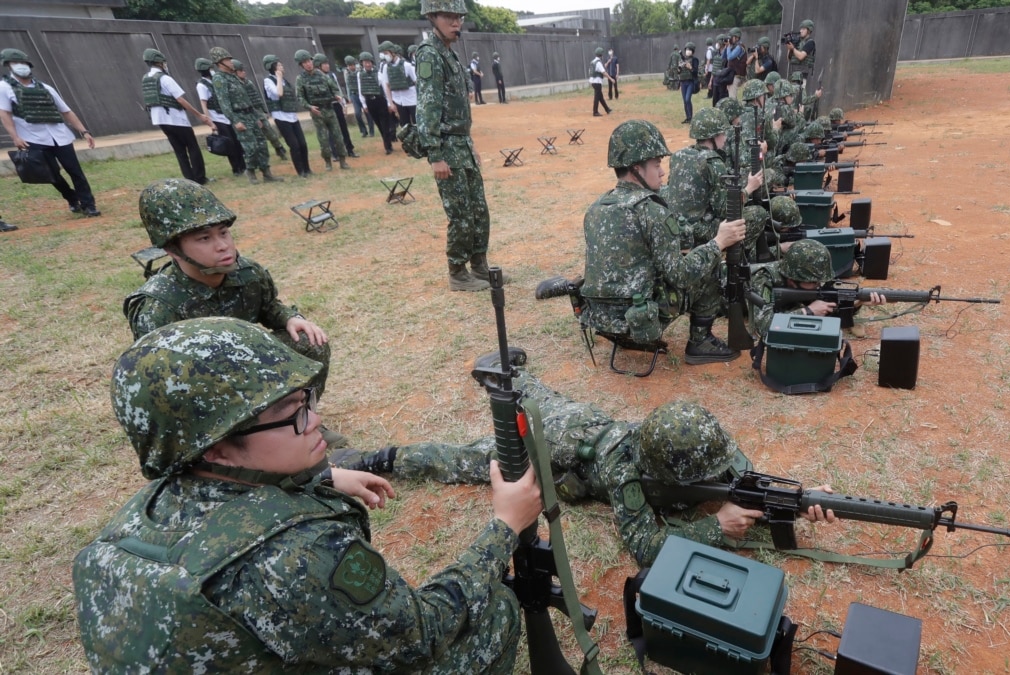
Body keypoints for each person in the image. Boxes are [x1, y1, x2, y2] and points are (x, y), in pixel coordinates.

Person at [74, 316, 539, 672]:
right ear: (218, 446)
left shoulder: (143, 513)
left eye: (307, 401)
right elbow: (422, 632)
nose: (314, 420)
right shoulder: (298, 557)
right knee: (492, 610)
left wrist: (323, 477)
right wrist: (504, 526)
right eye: (291, 414)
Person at [332, 355, 837, 567]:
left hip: (591, 422)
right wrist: (714, 529)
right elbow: (645, 545)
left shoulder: (697, 443)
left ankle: (507, 375)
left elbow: (741, 479)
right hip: (560, 455)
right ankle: (382, 456)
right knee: (466, 459)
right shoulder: (626, 471)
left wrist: (796, 499)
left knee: (547, 396)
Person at [123, 179, 337, 411]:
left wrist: (289, 318)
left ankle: (297, 419)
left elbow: (267, 307)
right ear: (171, 249)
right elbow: (161, 384)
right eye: (204, 238)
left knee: (310, 342)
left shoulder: (248, 272)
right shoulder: (158, 307)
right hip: (203, 386)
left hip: (245, 361)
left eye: (223, 233)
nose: (222, 245)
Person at [576, 119, 746, 365]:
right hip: (640, 319)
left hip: (601, 319)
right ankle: (700, 342)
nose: (662, 171)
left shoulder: (597, 207)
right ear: (636, 169)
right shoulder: (651, 211)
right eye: (656, 164)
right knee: (709, 267)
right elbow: (681, 276)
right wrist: (718, 242)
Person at [415, 0, 497, 292]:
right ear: (432, 17)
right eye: (449, 17)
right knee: (460, 212)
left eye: (458, 17)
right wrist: (434, 155)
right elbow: (427, 108)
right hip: (447, 148)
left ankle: (479, 265)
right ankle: (457, 272)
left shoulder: (449, 54)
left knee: (478, 209)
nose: (456, 23)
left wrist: (470, 143)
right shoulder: (429, 55)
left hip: (462, 144)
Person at [0, 47, 100, 217]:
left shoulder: (45, 87)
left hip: (60, 136)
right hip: (32, 139)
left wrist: (84, 132)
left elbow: (66, 111)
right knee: (51, 174)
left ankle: (88, 205)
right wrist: (15, 137)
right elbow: (4, 113)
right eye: (15, 62)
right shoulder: (4, 87)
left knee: (75, 171)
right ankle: (71, 197)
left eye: (23, 62)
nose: (20, 66)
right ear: (8, 65)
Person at [663, 107, 763, 247]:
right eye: (723, 133)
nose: (725, 137)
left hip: (677, 226)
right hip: (698, 232)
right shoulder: (712, 162)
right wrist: (749, 188)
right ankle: (737, 258)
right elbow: (724, 209)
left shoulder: (679, 156)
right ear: (713, 136)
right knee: (758, 214)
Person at [750, 239, 885, 340]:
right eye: (813, 282)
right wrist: (808, 311)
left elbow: (826, 311)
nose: (819, 285)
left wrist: (856, 303)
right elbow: (764, 328)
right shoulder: (762, 278)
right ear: (792, 281)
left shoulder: (800, 278)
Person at [141, 49, 214, 185]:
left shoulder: (146, 78)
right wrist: (199, 115)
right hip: (176, 119)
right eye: (163, 62)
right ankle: (200, 178)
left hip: (160, 120)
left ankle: (189, 180)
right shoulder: (165, 78)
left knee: (179, 151)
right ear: (159, 62)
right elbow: (180, 100)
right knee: (192, 147)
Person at [209, 48, 279, 184]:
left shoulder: (233, 77)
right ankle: (251, 172)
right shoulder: (219, 78)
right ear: (219, 63)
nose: (231, 62)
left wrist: (257, 117)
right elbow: (224, 103)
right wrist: (235, 121)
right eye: (227, 60)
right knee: (250, 147)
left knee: (261, 144)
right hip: (239, 117)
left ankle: (267, 173)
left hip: (251, 114)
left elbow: (247, 98)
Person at [295, 49, 349, 172]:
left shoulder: (322, 75)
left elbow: (335, 88)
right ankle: (328, 162)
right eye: (305, 62)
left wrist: (337, 95)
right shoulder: (300, 79)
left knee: (338, 137)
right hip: (317, 113)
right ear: (301, 65)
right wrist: (309, 107)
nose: (308, 64)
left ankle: (343, 160)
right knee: (323, 140)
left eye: (309, 61)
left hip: (329, 110)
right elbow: (300, 97)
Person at [262, 54, 312, 178]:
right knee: (294, 145)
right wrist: (278, 78)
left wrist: (281, 78)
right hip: (281, 117)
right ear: (273, 67)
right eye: (279, 65)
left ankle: (307, 169)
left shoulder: (285, 80)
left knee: (302, 144)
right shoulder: (268, 81)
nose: (282, 67)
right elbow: (278, 93)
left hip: (292, 116)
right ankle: (300, 172)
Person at [194, 57, 245, 178]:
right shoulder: (202, 85)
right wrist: (210, 121)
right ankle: (236, 169)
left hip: (227, 116)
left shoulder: (216, 80)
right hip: (218, 118)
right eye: (210, 68)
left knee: (237, 142)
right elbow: (204, 103)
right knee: (229, 144)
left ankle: (243, 166)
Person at [315, 54, 358, 158]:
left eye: (327, 63)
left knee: (343, 128)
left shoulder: (331, 75)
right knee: (330, 130)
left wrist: (343, 104)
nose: (327, 66)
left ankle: (350, 149)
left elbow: (337, 89)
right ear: (318, 66)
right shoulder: (316, 78)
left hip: (336, 105)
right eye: (324, 64)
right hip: (326, 107)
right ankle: (335, 153)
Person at [356, 51, 392, 155]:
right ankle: (387, 142)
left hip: (380, 100)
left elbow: (385, 88)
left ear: (372, 62)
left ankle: (387, 146)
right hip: (369, 101)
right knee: (379, 124)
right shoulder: (360, 74)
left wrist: (389, 103)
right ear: (362, 63)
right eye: (365, 62)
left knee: (385, 124)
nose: (367, 64)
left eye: (369, 62)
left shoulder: (378, 73)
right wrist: (364, 104)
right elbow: (360, 89)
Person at [380, 42, 417, 131]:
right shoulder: (385, 67)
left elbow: (417, 82)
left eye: (386, 53)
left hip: (412, 100)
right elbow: (387, 86)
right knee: (405, 126)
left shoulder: (406, 65)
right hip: (398, 102)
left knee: (417, 124)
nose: (384, 56)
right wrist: (390, 103)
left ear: (393, 52)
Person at [342, 54, 373, 138]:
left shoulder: (360, 70)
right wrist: (349, 97)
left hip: (362, 94)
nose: (351, 67)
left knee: (367, 112)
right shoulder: (346, 72)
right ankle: (363, 131)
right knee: (358, 114)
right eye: (349, 65)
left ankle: (371, 131)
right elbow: (347, 84)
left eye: (352, 65)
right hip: (354, 95)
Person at [786, 19, 817, 95]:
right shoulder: (798, 42)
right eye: (801, 28)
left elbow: (801, 56)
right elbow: (789, 59)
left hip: (803, 76)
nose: (801, 31)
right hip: (793, 74)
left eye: (803, 29)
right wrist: (790, 48)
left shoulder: (810, 42)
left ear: (809, 30)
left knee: (801, 97)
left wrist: (793, 48)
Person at [588, 47, 614, 117]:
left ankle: (607, 109)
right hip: (597, 82)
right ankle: (595, 112)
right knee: (597, 97)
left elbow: (590, 72)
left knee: (600, 97)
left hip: (593, 81)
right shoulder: (598, 63)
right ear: (601, 55)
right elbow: (604, 72)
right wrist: (611, 79)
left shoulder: (592, 62)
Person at [678, 42, 699, 125]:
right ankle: (688, 117)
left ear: (693, 51)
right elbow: (679, 72)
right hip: (683, 82)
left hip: (690, 82)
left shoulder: (694, 60)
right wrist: (679, 69)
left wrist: (690, 68)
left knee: (687, 99)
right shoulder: (682, 60)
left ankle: (691, 117)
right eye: (687, 49)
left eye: (689, 49)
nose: (688, 51)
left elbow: (696, 72)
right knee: (684, 101)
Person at [724, 28, 747, 102]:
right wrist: (727, 47)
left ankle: (734, 112)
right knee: (731, 95)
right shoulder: (733, 46)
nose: (730, 39)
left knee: (732, 97)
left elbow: (729, 57)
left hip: (737, 76)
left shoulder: (739, 47)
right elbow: (723, 57)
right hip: (732, 75)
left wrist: (728, 47)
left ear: (736, 37)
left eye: (731, 37)